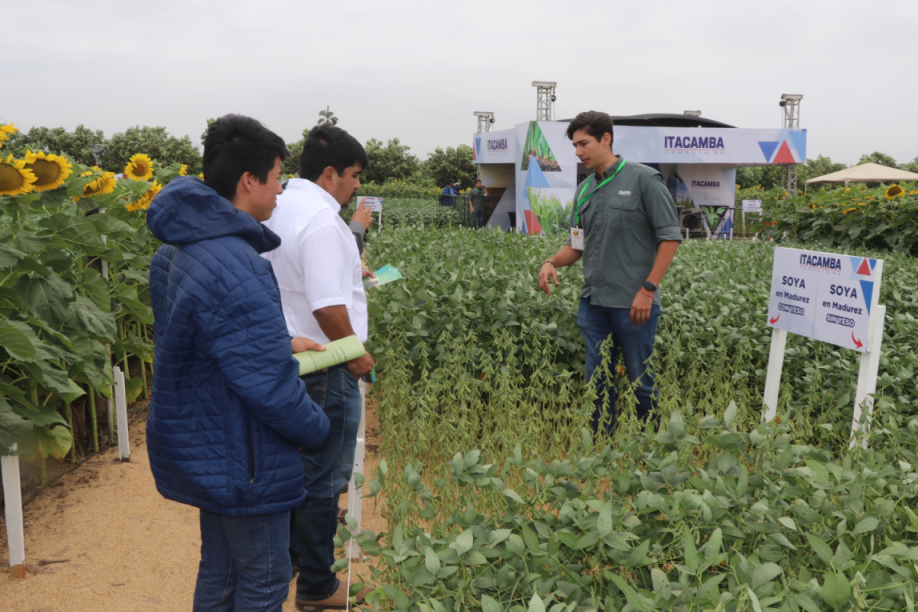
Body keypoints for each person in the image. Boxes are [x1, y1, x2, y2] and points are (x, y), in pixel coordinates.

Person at [146, 114, 330, 612]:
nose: (280, 191)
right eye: (276, 178)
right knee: (265, 579)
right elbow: (269, 387)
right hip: (246, 458)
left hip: (209, 444)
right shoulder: (238, 262)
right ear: (249, 181)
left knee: (221, 570)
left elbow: (201, 341)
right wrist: (316, 425)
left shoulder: (177, 250)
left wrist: (280, 341)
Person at [261, 123, 374, 612]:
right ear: (330, 174)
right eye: (351, 176)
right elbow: (329, 308)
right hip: (326, 367)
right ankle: (317, 586)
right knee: (324, 481)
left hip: (286, 358)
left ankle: (288, 563)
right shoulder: (325, 222)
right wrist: (357, 355)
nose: (354, 188)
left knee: (295, 470)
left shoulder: (278, 206)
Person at [537, 110, 681, 437]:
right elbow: (577, 246)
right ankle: (604, 449)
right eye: (574, 145)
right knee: (598, 381)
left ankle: (655, 450)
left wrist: (648, 290)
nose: (578, 152)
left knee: (640, 382)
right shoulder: (585, 190)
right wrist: (550, 262)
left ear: (606, 139)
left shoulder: (643, 180)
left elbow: (670, 237)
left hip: (634, 303)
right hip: (594, 305)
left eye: (583, 143)